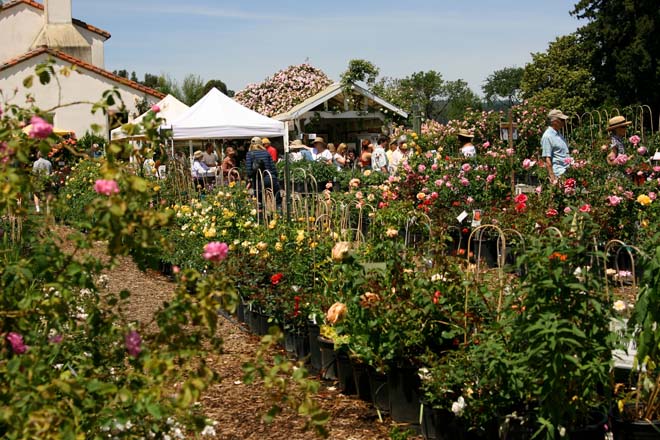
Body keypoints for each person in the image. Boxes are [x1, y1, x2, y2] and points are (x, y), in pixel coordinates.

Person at [246, 136, 279, 211]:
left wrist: (250, 179)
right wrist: (275, 177)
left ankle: (261, 219)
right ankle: (279, 215)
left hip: (258, 180)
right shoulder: (266, 153)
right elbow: (273, 167)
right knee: (277, 198)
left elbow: (249, 171)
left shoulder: (249, 154)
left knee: (259, 202)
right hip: (270, 177)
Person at [541, 109, 572, 185]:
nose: (564, 122)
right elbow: (547, 158)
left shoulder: (558, 134)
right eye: (561, 120)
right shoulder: (547, 136)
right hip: (558, 174)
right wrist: (553, 178)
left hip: (566, 172)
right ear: (554, 121)